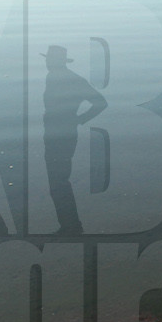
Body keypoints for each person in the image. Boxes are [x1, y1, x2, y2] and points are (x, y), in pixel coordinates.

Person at [41, 45, 106, 235]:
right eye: (46, 59)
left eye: (49, 59)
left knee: (58, 181)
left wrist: (80, 119)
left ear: (57, 61)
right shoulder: (53, 76)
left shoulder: (72, 79)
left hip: (61, 136)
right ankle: (69, 225)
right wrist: (77, 119)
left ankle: (71, 226)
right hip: (55, 134)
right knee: (58, 181)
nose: (46, 63)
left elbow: (100, 102)